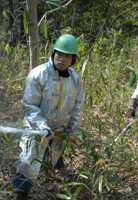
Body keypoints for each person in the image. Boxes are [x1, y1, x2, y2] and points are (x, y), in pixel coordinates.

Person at [12, 34, 84, 200]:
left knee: (57, 153)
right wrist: (42, 126)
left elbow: (78, 106)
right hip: (37, 129)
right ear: (53, 53)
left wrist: (73, 129)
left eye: (67, 56)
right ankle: (21, 195)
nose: (62, 59)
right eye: (59, 54)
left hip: (60, 129)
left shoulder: (75, 80)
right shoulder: (38, 74)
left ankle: (57, 171)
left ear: (73, 59)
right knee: (28, 162)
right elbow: (30, 105)